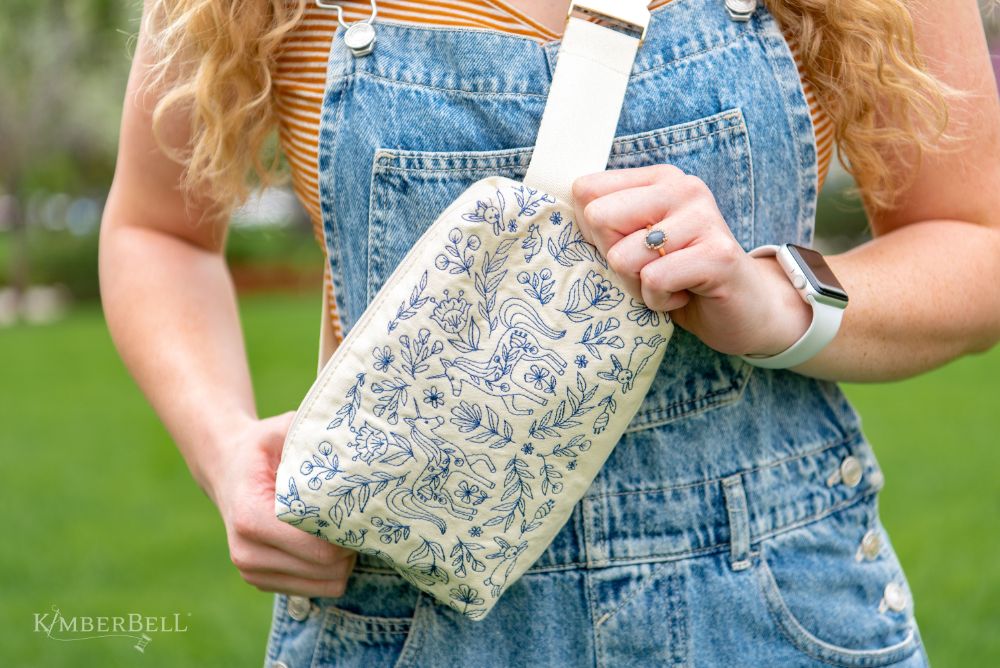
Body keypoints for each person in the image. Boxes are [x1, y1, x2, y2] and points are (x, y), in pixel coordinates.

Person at [99, 0, 1000, 665]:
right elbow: (157, 232)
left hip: (770, 606)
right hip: (404, 618)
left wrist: (776, 299)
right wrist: (225, 452)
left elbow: (976, 240)